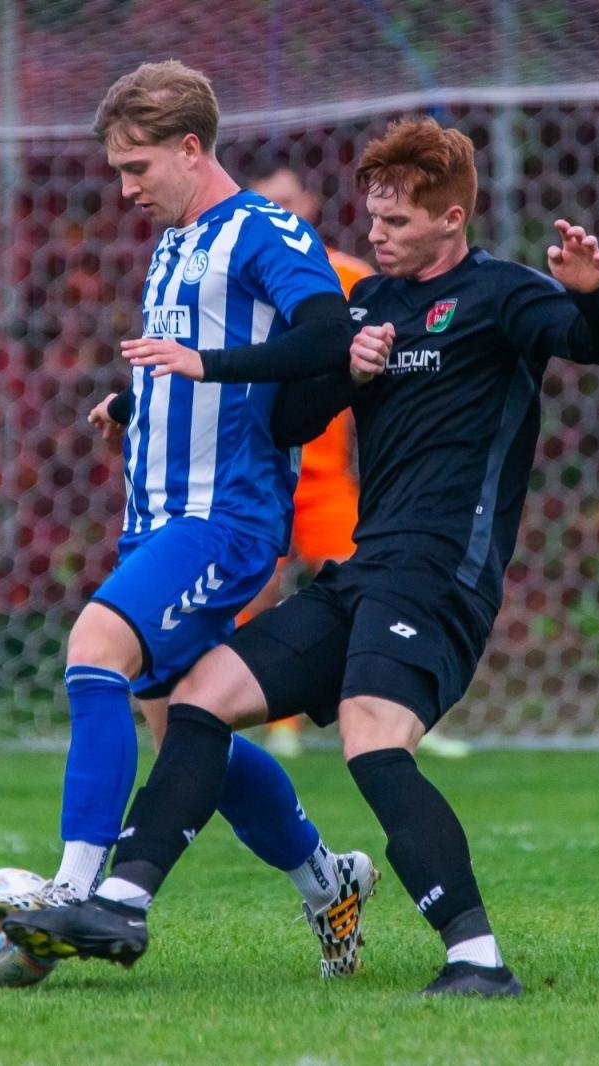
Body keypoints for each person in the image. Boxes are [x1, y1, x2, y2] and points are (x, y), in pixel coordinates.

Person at [3, 117, 599, 997]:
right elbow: (290, 421)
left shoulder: (503, 295)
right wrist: (351, 372)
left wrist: (593, 293)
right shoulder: (372, 305)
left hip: (442, 575)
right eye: (372, 218)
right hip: (366, 567)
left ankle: (477, 959)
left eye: (399, 223)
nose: (375, 236)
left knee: (374, 740)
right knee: (199, 701)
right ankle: (119, 904)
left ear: (452, 218)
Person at [0, 60, 382, 978]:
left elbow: (326, 331)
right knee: (184, 728)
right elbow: (194, 370)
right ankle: (331, 882)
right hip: (158, 517)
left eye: (137, 169)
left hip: (225, 521)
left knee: (94, 645)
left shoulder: (262, 228)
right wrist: (139, 407)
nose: (125, 190)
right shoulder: (176, 239)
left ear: (191, 147)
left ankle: (75, 886)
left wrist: (204, 366)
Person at [241, 161, 372, 759]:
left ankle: (389, 708)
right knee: (254, 590)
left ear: (311, 204)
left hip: (324, 476)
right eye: (267, 203)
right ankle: (279, 721)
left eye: (288, 200)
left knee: (366, 585)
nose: (282, 212)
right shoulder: (241, 281)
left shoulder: (350, 276)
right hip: (262, 468)